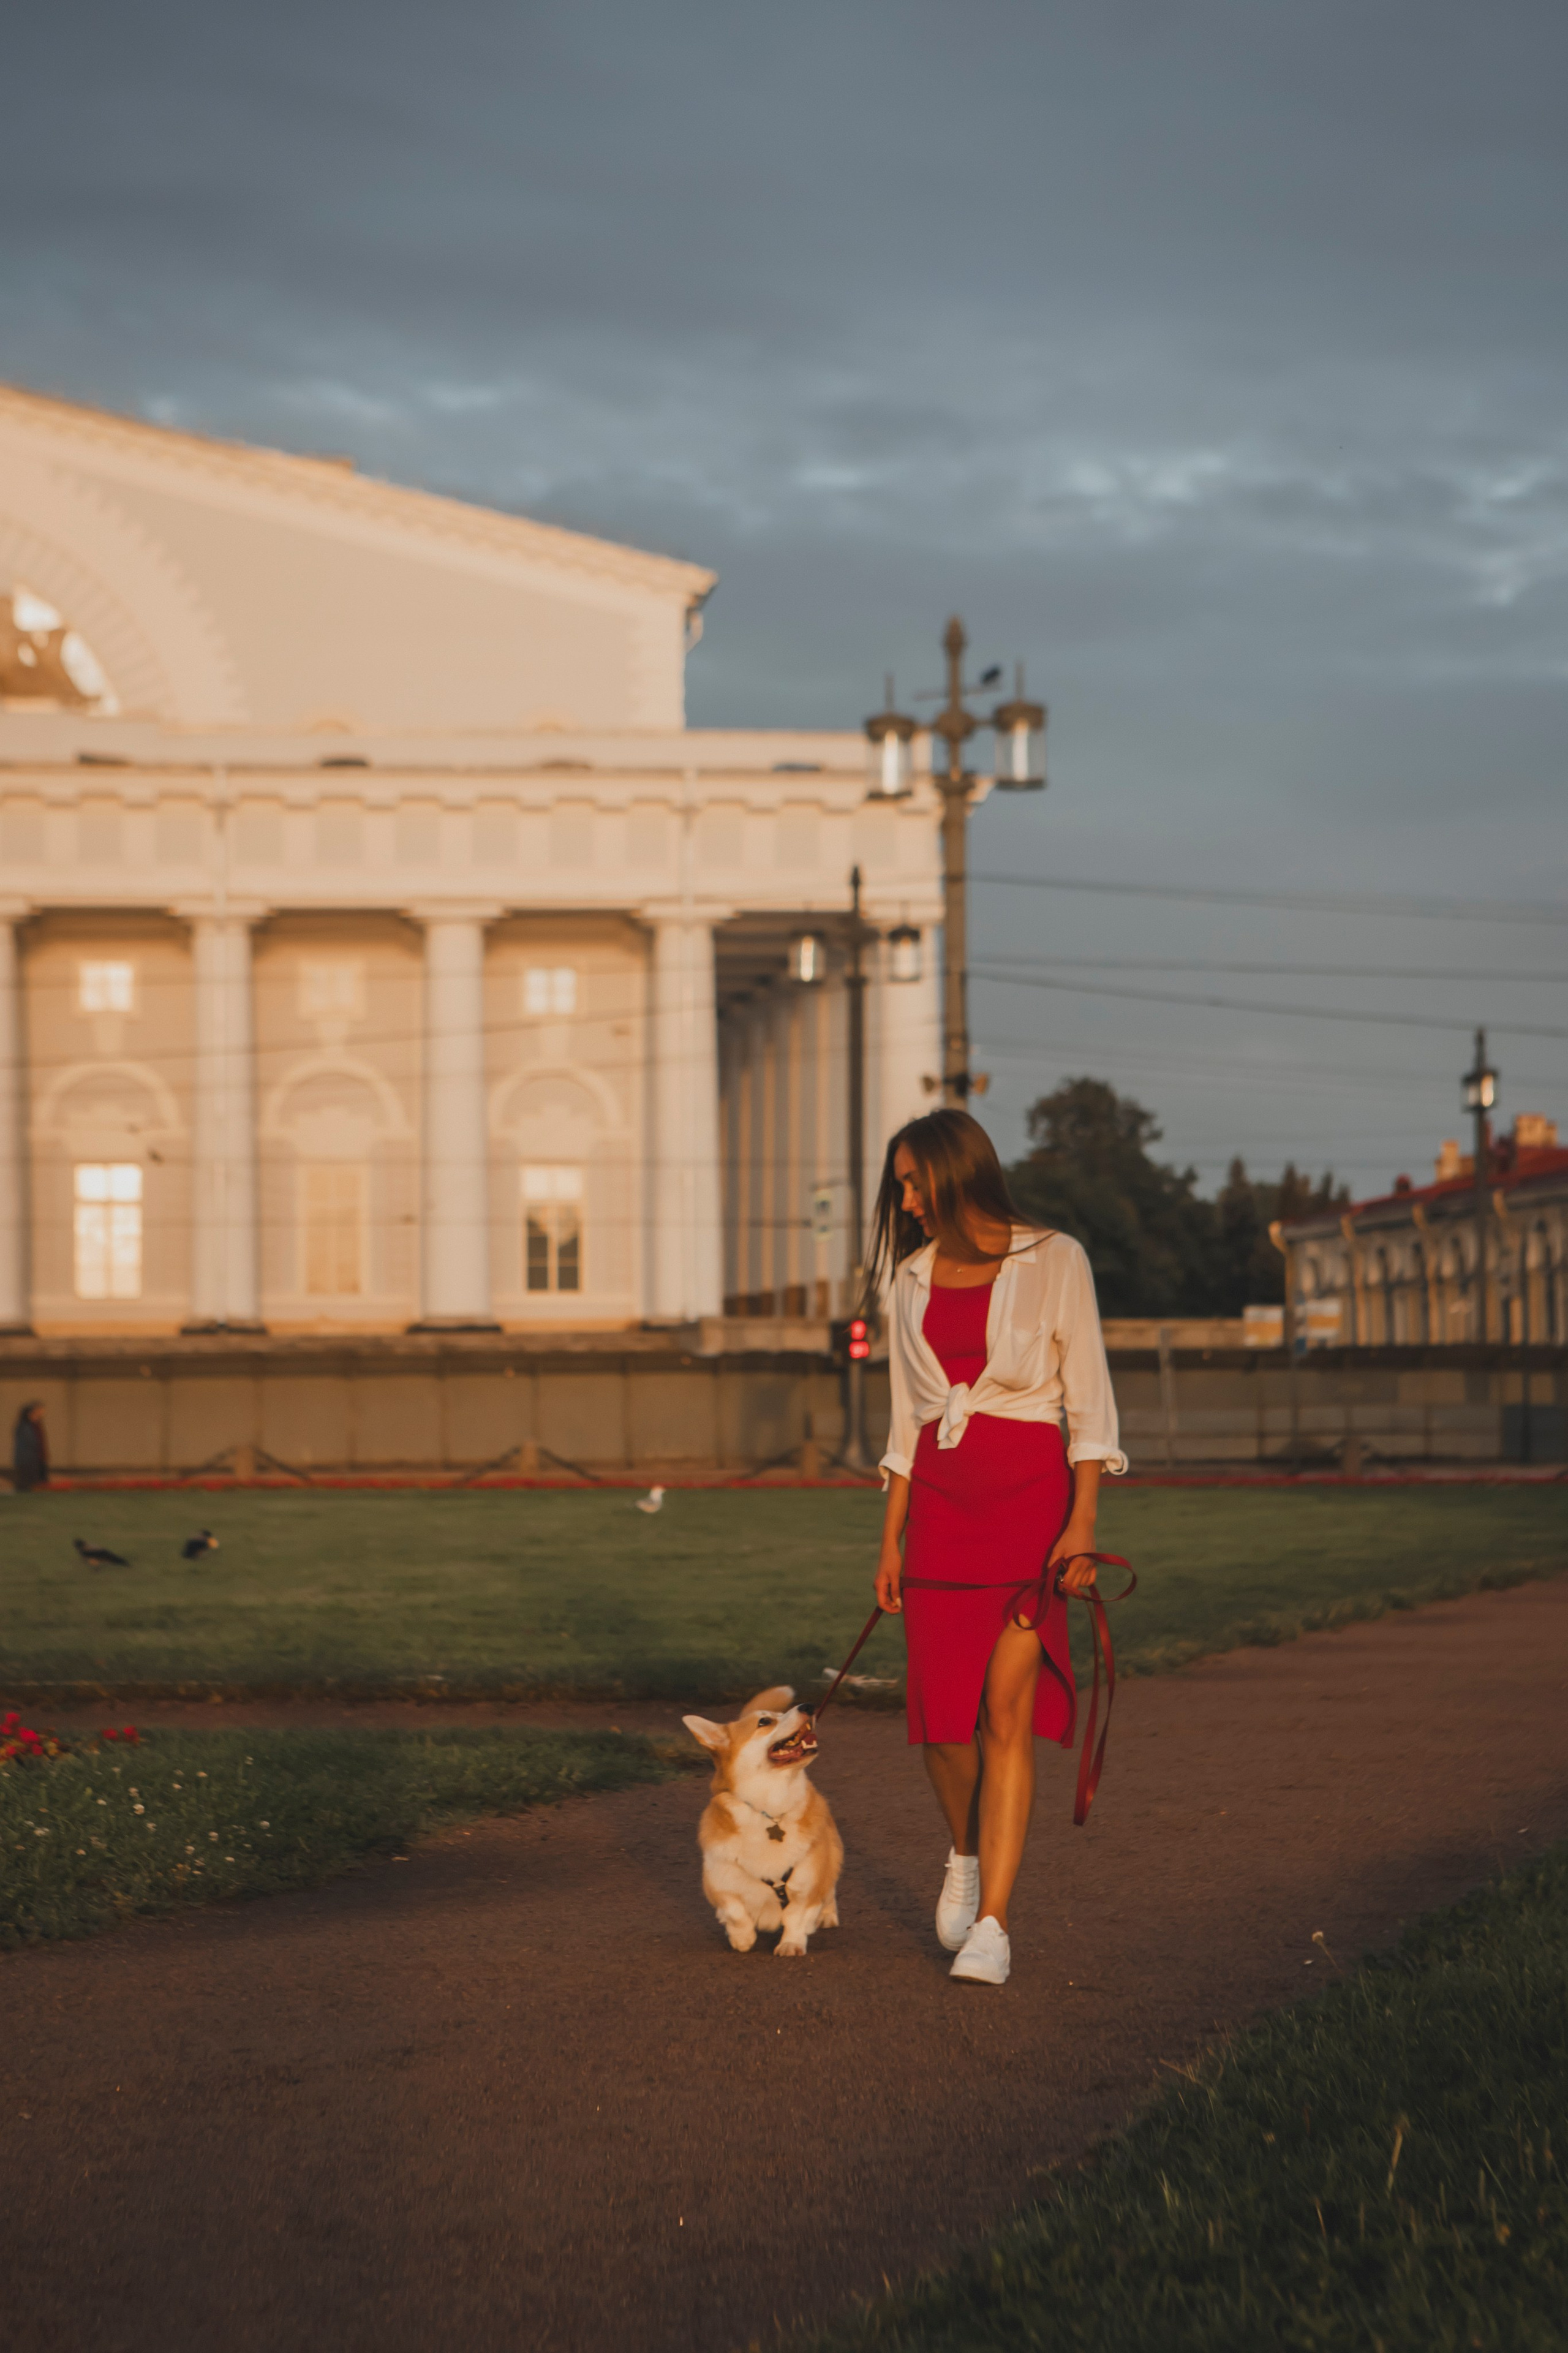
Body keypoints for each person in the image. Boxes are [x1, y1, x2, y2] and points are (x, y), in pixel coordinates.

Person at [867, 1108, 1125, 1987]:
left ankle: (993, 1923)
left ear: (954, 1172)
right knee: (946, 1725)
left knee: (1004, 1717)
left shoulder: (1056, 1259)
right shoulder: (905, 1280)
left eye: (911, 1181)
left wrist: (1082, 1522)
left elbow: (1088, 1398)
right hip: (939, 1511)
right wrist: (890, 1540)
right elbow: (906, 1420)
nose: (903, 1200)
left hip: (1028, 1511)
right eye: (898, 1185)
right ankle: (964, 1851)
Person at [12, 1400, 50, 1492]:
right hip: (28, 1461)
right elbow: (30, 1443)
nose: (41, 1414)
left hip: (37, 1459)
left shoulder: (36, 1425)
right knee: (27, 1485)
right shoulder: (24, 1426)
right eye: (38, 1411)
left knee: (40, 1484)